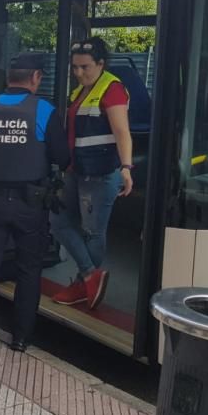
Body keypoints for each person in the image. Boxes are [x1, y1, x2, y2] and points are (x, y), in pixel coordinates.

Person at [0, 53, 70, 352]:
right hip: (31, 205)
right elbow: (63, 157)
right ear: (35, 77)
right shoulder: (44, 111)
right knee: (28, 269)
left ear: (9, 77)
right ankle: (21, 338)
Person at [51, 37, 133, 310]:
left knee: (92, 233)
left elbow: (122, 131)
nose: (79, 73)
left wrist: (126, 167)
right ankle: (90, 275)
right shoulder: (80, 91)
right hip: (76, 170)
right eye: (75, 67)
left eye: (85, 67)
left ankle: (83, 285)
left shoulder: (112, 89)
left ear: (101, 64)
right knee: (58, 221)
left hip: (100, 174)